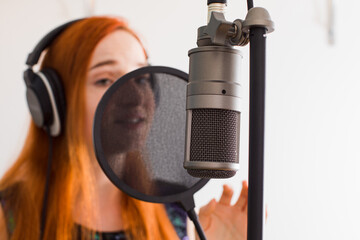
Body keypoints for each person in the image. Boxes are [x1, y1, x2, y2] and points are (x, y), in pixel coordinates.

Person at [0, 16, 248, 240]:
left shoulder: (174, 209)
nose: (135, 97)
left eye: (141, 78)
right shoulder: (8, 215)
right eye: (105, 80)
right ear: (53, 103)